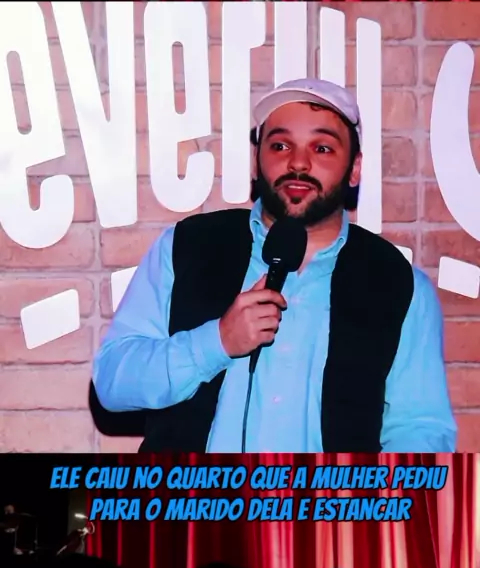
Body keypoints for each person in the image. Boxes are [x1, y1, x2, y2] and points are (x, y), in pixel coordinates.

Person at [93, 78, 457, 453]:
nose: (298, 162)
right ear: (257, 161)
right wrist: (216, 342)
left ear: (354, 169)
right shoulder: (185, 246)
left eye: (322, 148)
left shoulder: (399, 284)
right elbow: (112, 382)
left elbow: (419, 429)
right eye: (280, 145)